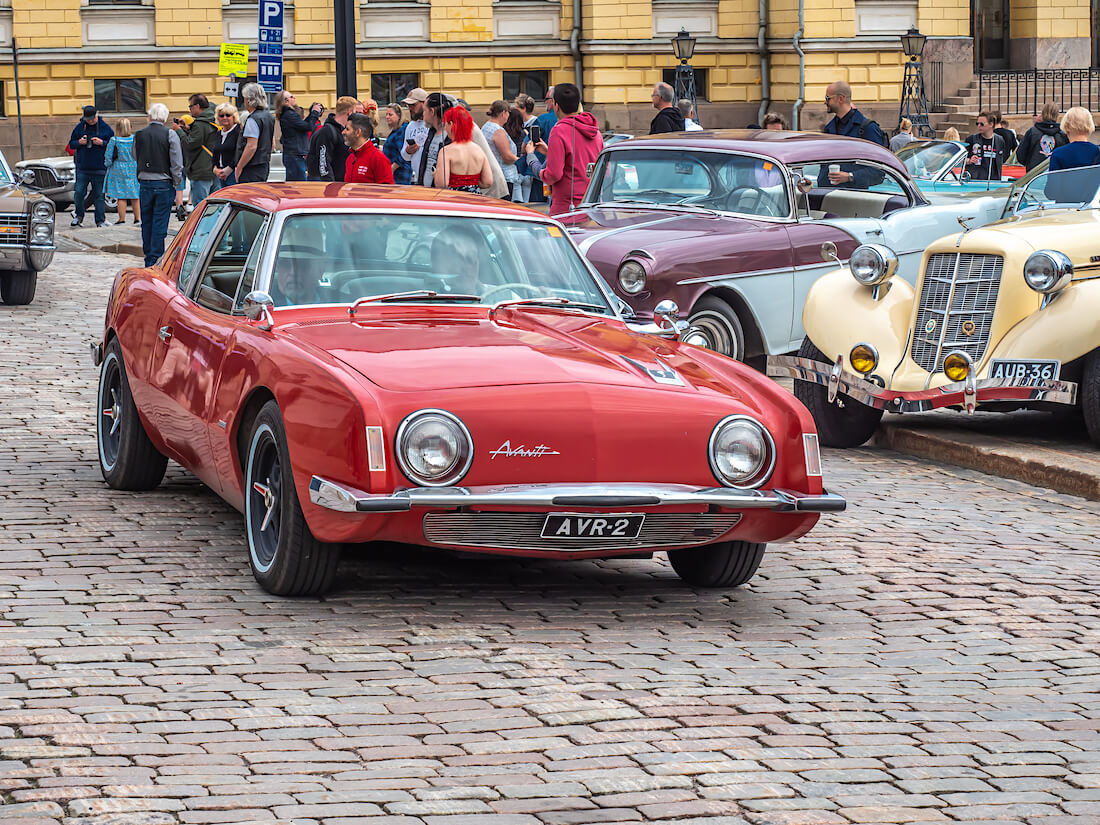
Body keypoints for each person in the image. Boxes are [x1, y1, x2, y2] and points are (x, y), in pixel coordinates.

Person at [525, 83, 603, 216]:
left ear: (556, 106)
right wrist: (549, 152)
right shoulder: (595, 131)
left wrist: (531, 159)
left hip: (567, 207)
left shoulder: (559, 130)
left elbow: (553, 175)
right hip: (592, 204)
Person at [133, 103, 183, 267]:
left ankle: (148, 256)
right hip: (163, 182)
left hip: (145, 182)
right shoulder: (170, 134)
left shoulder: (139, 134)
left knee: (146, 221)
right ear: (165, 117)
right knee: (160, 222)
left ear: (150, 116)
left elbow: (135, 155)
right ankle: (155, 259)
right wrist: (176, 182)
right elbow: (176, 162)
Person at [68, 105, 114, 227]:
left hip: (99, 167)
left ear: (96, 115)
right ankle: (78, 216)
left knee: (99, 195)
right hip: (83, 167)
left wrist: (102, 143)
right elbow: (71, 144)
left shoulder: (105, 128)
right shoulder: (80, 127)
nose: (90, 121)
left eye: (92, 119)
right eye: (88, 119)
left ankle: (100, 220)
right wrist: (79, 142)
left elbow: (113, 144)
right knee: (78, 192)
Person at [175, 94, 218, 214]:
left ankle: (203, 232)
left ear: (197, 106)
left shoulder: (200, 124)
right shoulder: (211, 120)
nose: (189, 110)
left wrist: (179, 131)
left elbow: (190, 143)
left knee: (200, 206)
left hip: (201, 169)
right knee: (215, 206)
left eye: (190, 106)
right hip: (214, 168)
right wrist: (188, 129)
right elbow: (202, 138)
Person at [434, 107, 492, 194]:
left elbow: (442, 184)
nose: (445, 128)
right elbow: (487, 182)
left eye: (445, 124)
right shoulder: (478, 149)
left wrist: (436, 175)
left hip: (454, 199)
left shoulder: (446, 151)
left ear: (451, 124)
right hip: (475, 199)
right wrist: (471, 183)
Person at [273, 90, 322, 182]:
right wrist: (315, 113)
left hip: (294, 154)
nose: (294, 98)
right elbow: (308, 126)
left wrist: (312, 113)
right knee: (298, 186)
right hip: (295, 154)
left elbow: (303, 125)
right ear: (286, 101)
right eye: (291, 97)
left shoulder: (288, 114)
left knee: (295, 184)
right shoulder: (289, 115)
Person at [307, 96, 358, 181]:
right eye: (355, 112)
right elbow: (323, 162)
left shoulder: (343, 131)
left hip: (341, 183)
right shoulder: (327, 132)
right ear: (350, 112)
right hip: (330, 185)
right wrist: (330, 185)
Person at [234, 83, 276, 184]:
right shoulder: (268, 116)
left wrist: (239, 167)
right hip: (263, 165)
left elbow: (251, 146)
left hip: (251, 167)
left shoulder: (253, 119)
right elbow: (272, 144)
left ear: (248, 100)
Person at [822, 80, 885, 146]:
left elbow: (878, 155)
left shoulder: (868, 128)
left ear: (841, 99)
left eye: (827, 98)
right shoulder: (829, 129)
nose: (825, 102)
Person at [103, 119, 140, 226]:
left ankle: (122, 219)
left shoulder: (114, 140)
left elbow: (108, 157)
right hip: (133, 166)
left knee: (121, 195)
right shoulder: (134, 139)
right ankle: (137, 219)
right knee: (135, 194)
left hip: (118, 168)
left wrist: (108, 164)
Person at [430, 225, 484, 296]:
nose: (466, 267)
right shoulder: (420, 300)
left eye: (470, 258)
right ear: (436, 265)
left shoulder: (494, 299)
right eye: (457, 259)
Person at [482, 100, 520, 199]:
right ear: (503, 113)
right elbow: (506, 157)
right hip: (504, 178)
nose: (508, 117)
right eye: (508, 113)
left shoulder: (486, 126)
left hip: (492, 173)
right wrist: (521, 161)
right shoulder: (498, 130)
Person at [343, 113, 394, 184]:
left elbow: (387, 191)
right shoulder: (350, 158)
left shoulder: (378, 158)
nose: (343, 132)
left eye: (347, 129)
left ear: (358, 132)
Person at [1017, 102, 1069, 171]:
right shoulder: (1062, 135)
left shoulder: (1032, 132)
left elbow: (1021, 156)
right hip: (1056, 175)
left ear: (1043, 114)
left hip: (1034, 175)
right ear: (1057, 115)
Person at [400, 88, 430, 183]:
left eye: (413, 105)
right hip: (418, 179)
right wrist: (408, 151)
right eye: (408, 105)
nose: (410, 108)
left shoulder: (432, 124)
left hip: (432, 179)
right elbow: (405, 156)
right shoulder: (411, 126)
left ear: (424, 103)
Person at [965, 111, 1006, 181]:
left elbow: (1003, 158)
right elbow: (961, 159)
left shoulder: (999, 140)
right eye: (977, 124)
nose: (979, 126)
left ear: (991, 124)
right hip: (975, 180)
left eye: (982, 124)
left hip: (994, 180)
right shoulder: (971, 139)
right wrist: (969, 160)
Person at [211, 103, 240, 191]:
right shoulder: (219, 133)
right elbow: (215, 152)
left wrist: (228, 170)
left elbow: (239, 153)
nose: (224, 118)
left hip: (233, 174)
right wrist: (215, 168)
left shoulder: (238, 131)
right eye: (221, 115)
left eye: (228, 115)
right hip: (220, 174)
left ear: (233, 117)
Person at [382, 104, 413, 184]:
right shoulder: (395, 131)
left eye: (390, 115)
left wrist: (392, 169)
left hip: (399, 174)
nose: (387, 117)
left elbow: (403, 154)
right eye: (386, 114)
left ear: (399, 116)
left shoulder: (402, 130)